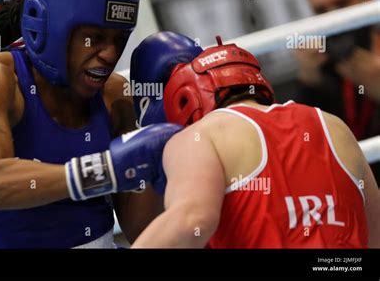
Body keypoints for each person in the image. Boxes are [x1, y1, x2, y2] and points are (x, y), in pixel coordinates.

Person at [0, 0, 181, 248]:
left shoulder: (114, 95)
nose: (110, 54)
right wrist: (102, 171)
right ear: (51, 29)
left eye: (119, 39)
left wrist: (160, 153)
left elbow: (142, 230)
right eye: (95, 38)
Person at [130, 35, 379, 248]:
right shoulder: (333, 125)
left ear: (184, 100)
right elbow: (375, 234)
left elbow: (191, 220)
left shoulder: (199, 137)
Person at [295, 0, 380, 145]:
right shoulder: (321, 66)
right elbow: (304, 145)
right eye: (321, 11)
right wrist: (309, 81)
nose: (333, 18)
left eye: (342, 4)